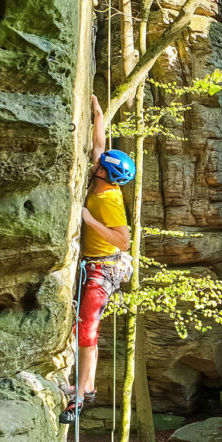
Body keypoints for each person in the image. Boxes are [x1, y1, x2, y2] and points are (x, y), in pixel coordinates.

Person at [60, 94, 136, 424]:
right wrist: (98, 117)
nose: (96, 163)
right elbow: (98, 147)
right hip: (93, 260)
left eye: (100, 166)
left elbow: (123, 240)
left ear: (106, 175)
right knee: (81, 323)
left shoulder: (109, 200)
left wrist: (89, 221)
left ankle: (84, 391)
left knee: (87, 325)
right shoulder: (100, 173)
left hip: (105, 267)